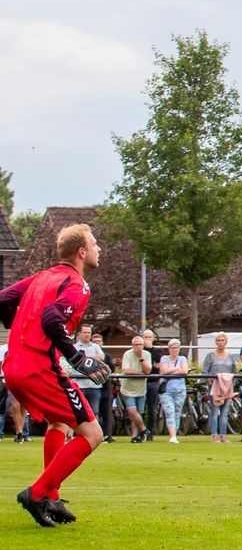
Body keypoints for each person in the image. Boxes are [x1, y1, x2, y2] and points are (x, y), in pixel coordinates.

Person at [0, 223, 108, 527]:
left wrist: (20, 329)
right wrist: (77, 357)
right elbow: (51, 318)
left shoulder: (43, 277)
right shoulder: (77, 284)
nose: (99, 249)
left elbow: (3, 299)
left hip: (13, 368)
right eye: (95, 244)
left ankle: (52, 496)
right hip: (37, 367)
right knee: (93, 434)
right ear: (82, 252)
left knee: (59, 421)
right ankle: (36, 494)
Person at [203, 332, 239, 442]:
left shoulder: (230, 357)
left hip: (227, 387)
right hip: (215, 386)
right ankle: (214, 435)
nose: (220, 343)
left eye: (222, 340)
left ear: (226, 342)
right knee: (215, 411)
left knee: (225, 412)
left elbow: (234, 371)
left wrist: (233, 383)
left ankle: (223, 435)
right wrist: (208, 381)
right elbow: (205, 371)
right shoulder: (210, 355)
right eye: (218, 340)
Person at [119, 335, 151, 442]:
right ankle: (144, 430)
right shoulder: (127, 354)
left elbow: (147, 371)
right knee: (132, 411)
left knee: (138, 413)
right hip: (128, 388)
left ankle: (135, 436)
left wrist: (141, 360)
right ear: (132, 345)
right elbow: (126, 370)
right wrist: (139, 373)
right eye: (136, 344)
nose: (138, 347)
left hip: (141, 388)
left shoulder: (147, 354)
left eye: (140, 344)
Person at [158, 338, 190, 444]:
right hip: (166, 390)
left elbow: (185, 370)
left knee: (177, 412)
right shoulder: (164, 358)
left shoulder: (182, 359)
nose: (174, 350)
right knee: (169, 411)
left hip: (180, 389)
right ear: (169, 349)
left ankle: (174, 435)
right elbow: (164, 370)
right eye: (172, 348)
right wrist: (177, 370)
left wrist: (170, 371)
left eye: (176, 348)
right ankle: (172, 435)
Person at [142, 329, 162, 442]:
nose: (148, 339)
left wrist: (150, 349)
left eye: (150, 337)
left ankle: (151, 432)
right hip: (141, 382)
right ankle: (141, 431)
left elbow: (158, 365)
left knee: (152, 409)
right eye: (146, 337)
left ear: (153, 338)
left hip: (153, 382)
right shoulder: (139, 350)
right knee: (139, 409)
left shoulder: (157, 351)